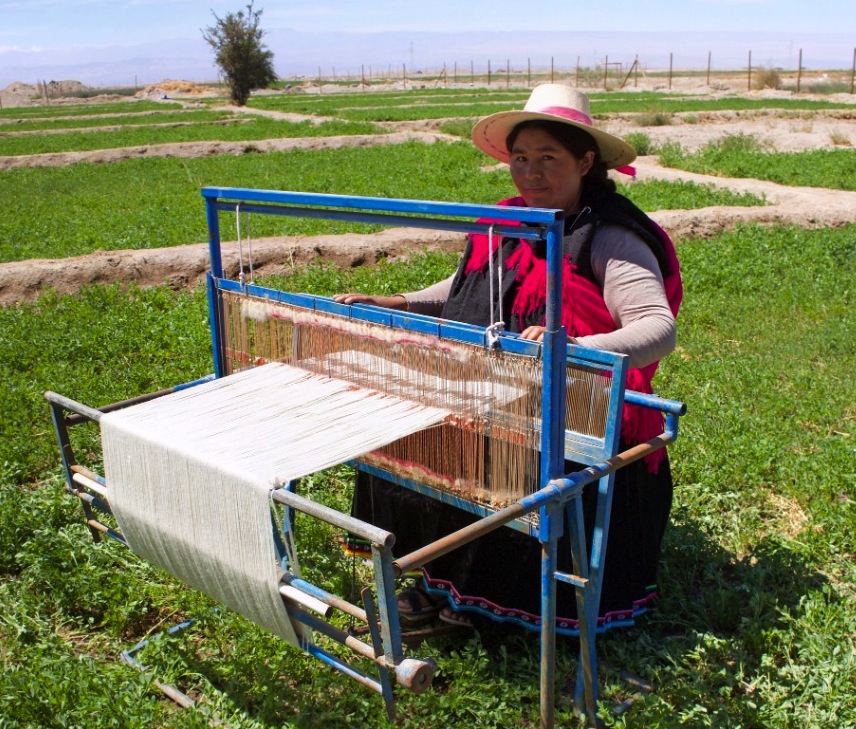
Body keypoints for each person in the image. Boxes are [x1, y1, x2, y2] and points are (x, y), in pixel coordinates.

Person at [333, 84, 683, 634]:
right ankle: (435, 576)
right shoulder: (508, 219)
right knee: (401, 433)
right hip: (501, 390)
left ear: (585, 161)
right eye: (521, 158)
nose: (531, 173)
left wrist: (573, 350)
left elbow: (657, 329)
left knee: (520, 468)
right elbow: (471, 284)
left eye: (549, 158)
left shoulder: (609, 234)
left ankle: (473, 604)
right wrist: (397, 301)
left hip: (579, 413)